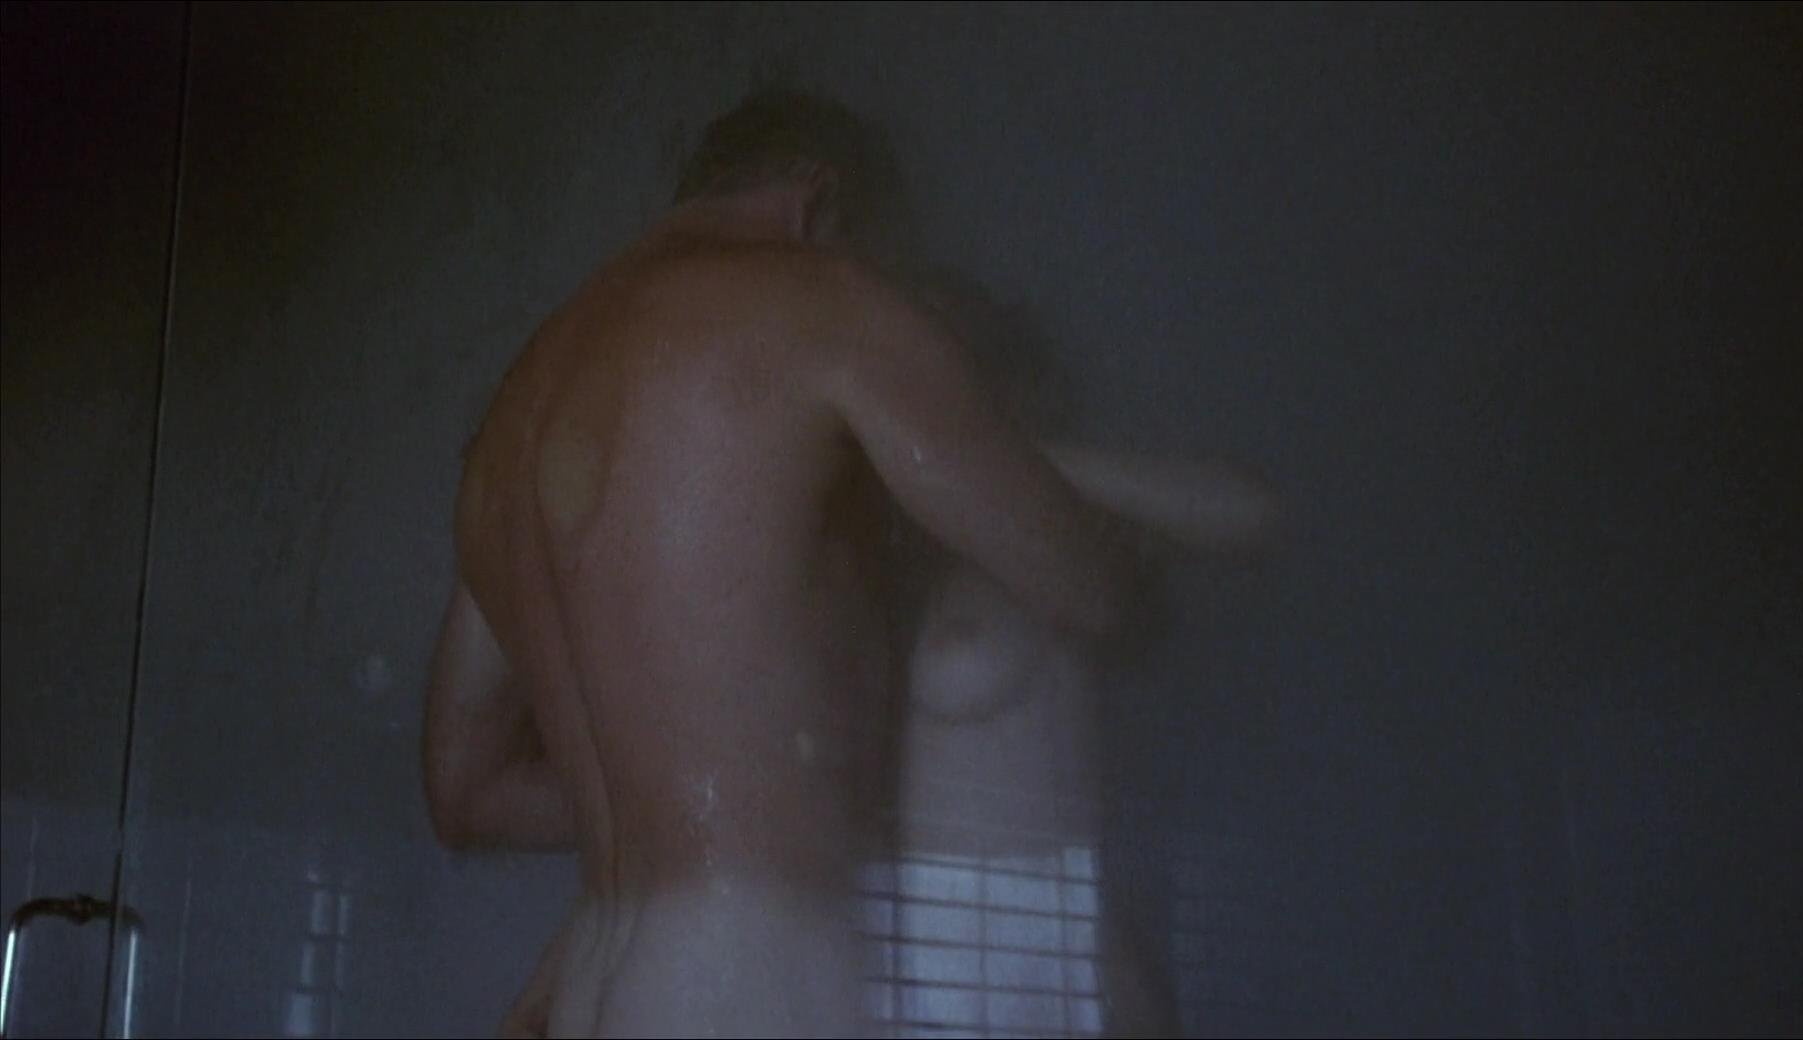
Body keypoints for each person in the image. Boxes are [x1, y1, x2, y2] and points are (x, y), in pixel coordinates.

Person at [419, 89, 1135, 1037]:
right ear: (820, 197)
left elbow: (466, 789)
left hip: (592, 985)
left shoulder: (516, 416)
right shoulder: (818, 304)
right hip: (747, 978)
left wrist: (694, 781)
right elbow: (1085, 581)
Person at [875, 276, 1281, 1037]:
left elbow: (1256, 513)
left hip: (1058, 951)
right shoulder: (882, 549)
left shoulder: (1067, 544)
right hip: (919, 961)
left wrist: (1016, 461)